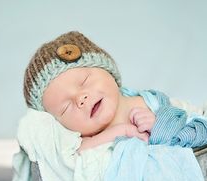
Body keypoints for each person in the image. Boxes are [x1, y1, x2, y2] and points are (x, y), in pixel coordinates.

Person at [23, 31, 159, 153]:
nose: (80, 99)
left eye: (84, 81)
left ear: (108, 71)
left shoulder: (152, 103)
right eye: (65, 108)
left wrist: (159, 125)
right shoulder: (84, 143)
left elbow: (179, 127)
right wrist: (121, 131)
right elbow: (75, 156)